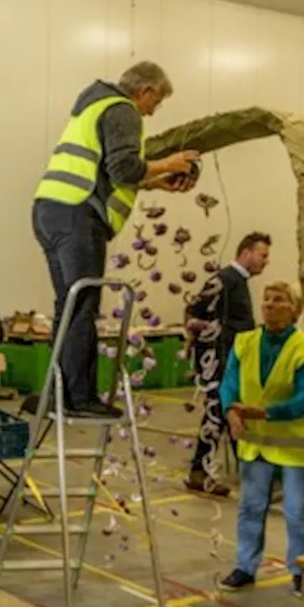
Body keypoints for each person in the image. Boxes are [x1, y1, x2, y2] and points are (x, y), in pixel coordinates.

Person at [32, 61, 200, 418]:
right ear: (146, 91)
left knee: (69, 303)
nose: (153, 111)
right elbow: (123, 168)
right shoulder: (122, 110)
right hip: (78, 213)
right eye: (156, 102)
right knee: (83, 304)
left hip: (51, 209)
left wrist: (155, 182)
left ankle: (58, 392)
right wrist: (168, 164)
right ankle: (80, 398)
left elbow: (110, 173)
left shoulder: (92, 105)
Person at [218, 282, 304, 598]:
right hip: (257, 444)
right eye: (266, 299)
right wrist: (231, 412)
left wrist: (261, 413)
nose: (269, 304)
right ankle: (245, 566)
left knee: (298, 511)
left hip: (300, 445)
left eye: (279, 300)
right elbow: (229, 383)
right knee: (250, 507)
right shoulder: (245, 342)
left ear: (295, 310)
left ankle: (300, 571)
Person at [184, 232, 273, 496]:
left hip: (230, 361)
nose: (266, 262)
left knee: (218, 416)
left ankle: (200, 473)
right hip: (220, 362)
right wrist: (199, 342)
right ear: (246, 253)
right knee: (223, 413)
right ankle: (231, 474)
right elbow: (194, 310)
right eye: (263, 255)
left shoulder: (237, 282)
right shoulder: (224, 280)